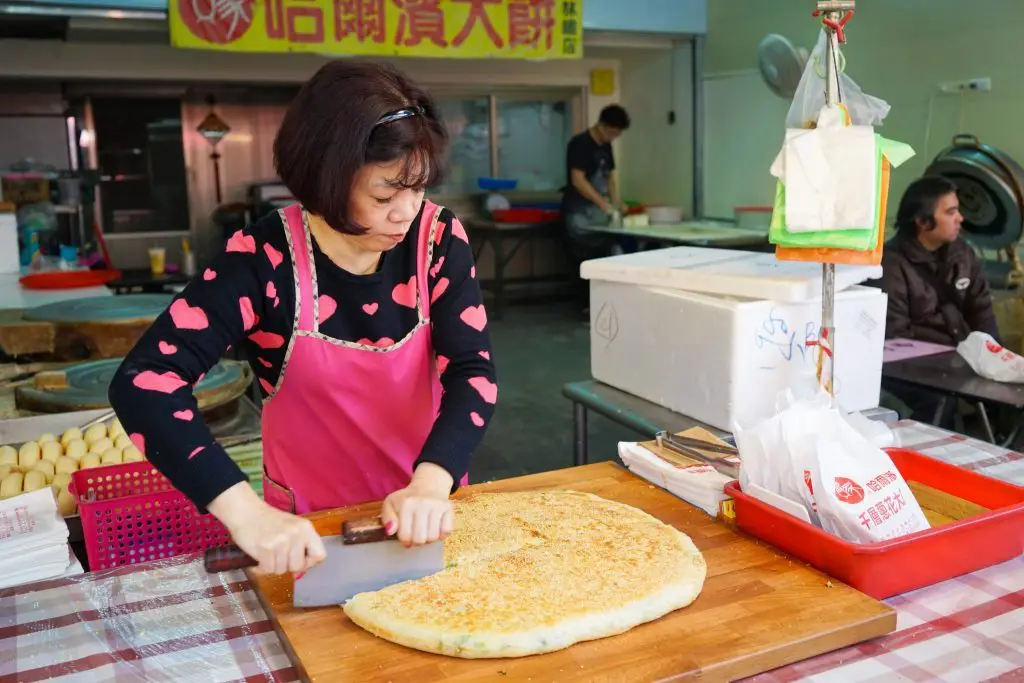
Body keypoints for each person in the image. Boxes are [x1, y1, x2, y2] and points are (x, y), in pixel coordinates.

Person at [108, 61, 497, 577]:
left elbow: (472, 371)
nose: (405, 212)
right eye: (384, 195)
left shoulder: (438, 240)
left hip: (427, 512)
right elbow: (145, 386)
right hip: (308, 534)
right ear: (325, 182)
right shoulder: (261, 258)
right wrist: (246, 514)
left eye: (419, 189)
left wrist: (431, 482)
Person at [881, 175, 999, 424]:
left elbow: (982, 312)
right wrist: (950, 363)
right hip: (916, 371)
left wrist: (996, 357)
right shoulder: (892, 265)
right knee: (939, 402)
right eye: (951, 212)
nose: (960, 218)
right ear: (923, 221)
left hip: (961, 361)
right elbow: (895, 337)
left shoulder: (963, 255)